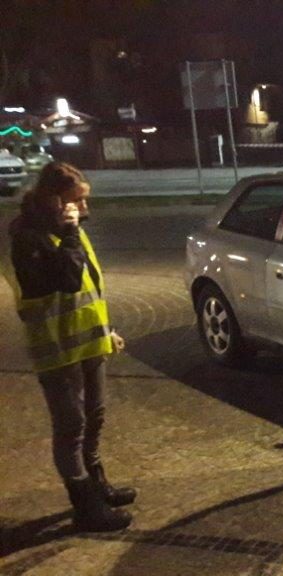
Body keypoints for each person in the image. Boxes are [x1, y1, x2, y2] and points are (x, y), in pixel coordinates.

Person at [7, 162, 135, 532]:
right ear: (53, 199)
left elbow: (91, 285)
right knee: (71, 426)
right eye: (76, 200)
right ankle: (85, 506)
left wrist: (107, 330)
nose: (84, 207)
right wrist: (70, 233)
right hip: (58, 349)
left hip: (90, 342)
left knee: (95, 416)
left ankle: (98, 485)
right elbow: (67, 279)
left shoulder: (70, 231)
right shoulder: (28, 238)